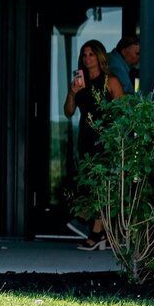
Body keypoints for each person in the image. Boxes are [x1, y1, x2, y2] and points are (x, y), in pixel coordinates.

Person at [65, 39, 124, 250]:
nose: (87, 58)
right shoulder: (80, 83)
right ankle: (100, 233)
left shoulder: (110, 81)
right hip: (85, 138)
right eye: (84, 54)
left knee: (101, 184)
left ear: (99, 56)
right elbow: (68, 112)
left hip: (105, 139)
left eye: (91, 54)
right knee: (91, 183)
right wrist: (72, 92)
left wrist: (114, 138)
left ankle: (93, 228)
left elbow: (122, 110)